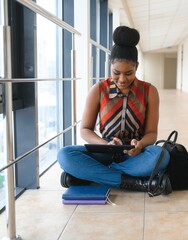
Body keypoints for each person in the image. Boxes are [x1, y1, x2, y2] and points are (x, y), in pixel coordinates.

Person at [57, 26, 171, 195]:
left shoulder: (149, 91)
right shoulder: (98, 90)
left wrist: (139, 145)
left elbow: (152, 133)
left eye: (129, 73)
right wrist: (107, 145)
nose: (122, 79)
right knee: (65, 155)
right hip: (105, 150)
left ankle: (94, 175)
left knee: (161, 155)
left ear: (137, 67)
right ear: (110, 65)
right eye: (116, 73)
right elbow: (85, 130)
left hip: (134, 154)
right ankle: (133, 182)